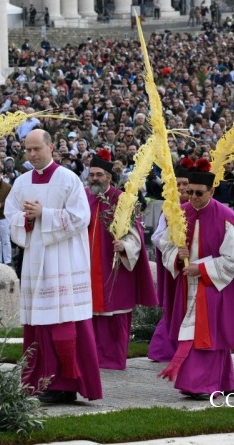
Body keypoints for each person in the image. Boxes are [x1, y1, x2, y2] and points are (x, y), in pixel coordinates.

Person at [5, 129, 102, 404]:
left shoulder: (68, 179)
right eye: (28, 150)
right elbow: (10, 214)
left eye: (37, 149)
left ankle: (66, 383)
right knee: (39, 324)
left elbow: (80, 217)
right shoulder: (22, 182)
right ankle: (39, 381)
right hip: (36, 261)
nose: (33, 154)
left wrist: (43, 215)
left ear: (50, 148)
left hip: (64, 260)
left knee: (64, 323)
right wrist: (25, 219)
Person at [156, 158, 234, 399]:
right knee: (198, 332)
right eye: (189, 192)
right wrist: (177, 256)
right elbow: (164, 246)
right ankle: (224, 382)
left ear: (212, 191)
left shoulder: (225, 216)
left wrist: (201, 269)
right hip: (187, 285)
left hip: (213, 286)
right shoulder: (180, 214)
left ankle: (200, 384)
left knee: (207, 334)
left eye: (199, 193)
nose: (193, 197)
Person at [85, 149, 157, 370]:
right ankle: (91, 356)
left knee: (113, 314)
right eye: (92, 174)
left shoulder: (121, 199)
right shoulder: (84, 197)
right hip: (87, 265)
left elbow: (136, 235)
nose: (95, 178)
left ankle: (112, 360)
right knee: (91, 314)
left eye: (99, 174)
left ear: (109, 176)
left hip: (114, 265)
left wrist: (124, 245)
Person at [148, 159, 193, 363]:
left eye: (186, 184)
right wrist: (176, 250)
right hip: (175, 267)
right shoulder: (169, 209)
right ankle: (167, 347)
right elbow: (157, 238)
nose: (182, 188)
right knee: (175, 308)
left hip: (197, 267)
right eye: (179, 184)